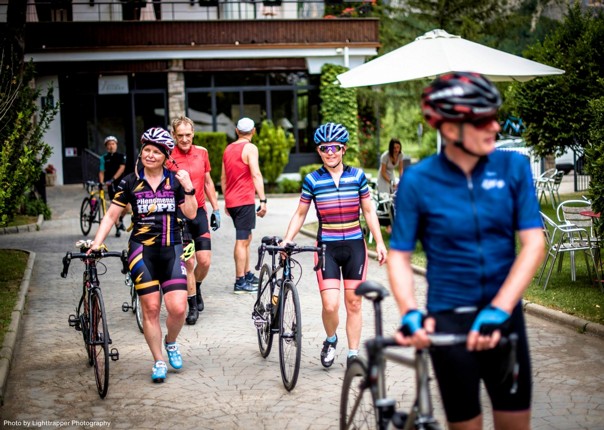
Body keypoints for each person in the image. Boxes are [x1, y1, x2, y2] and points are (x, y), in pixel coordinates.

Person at [388, 72, 545, 430]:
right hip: (448, 321)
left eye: (494, 116)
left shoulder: (513, 167)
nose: (495, 126)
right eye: (481, 120)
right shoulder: (418, 180)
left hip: (504, 319)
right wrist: (409, 311)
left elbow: (534, 243)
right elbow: (399, 256)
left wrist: (499, 310)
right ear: (448, 128)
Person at [89, 127, 198, 383]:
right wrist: (96, 244)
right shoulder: (129, 182)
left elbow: (191, 214)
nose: (150, 155)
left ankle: (171, 341)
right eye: (146, 150)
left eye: (156, 152)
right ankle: (158, 360)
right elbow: (112, 215)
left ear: (165, 156)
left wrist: (189, 187)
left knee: (178, 308)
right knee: (151, 308)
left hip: (172, 249)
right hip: (141, 252)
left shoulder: (174, 181)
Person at [281, 122, 387, 368]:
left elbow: (369, 211)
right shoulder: (312, 180)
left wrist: (380, 243)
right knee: (330, 305)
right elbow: (300, 213)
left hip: (355, 246)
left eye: (335, 148)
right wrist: (288, 239)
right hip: (326, 247)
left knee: (354, 302)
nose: (330, 152)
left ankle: (353, 354)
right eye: (324, 148)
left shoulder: (357, 176)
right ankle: (331, 339)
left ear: (343, 149)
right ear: (319, 151)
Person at [167, 116, 220, 326]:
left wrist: (216, 209)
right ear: (174, 135)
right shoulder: (168, 156)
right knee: (188, 262)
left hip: (199, 213)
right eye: (180, 135)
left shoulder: (202, 152)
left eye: (188, 135)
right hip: (180, 216)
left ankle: (196, 287)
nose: (184, 139)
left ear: (193, 133)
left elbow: (207, 182)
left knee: (204, 261)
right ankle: (192, 306)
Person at [221, 117, 267, 294]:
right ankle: (240, 281)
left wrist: (227, 200)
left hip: (233, 201)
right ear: (253, 131)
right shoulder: (250, 148)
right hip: (244, 200)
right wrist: (263, 200)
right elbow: (256, 174)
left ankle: (247, 274)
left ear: (237, 131)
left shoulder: (228, 149)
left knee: (246, 238)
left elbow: (223, 178)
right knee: (242, 241)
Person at [99, 135, 127, 237]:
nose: (111, 146)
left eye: (113, 144)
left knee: (127, 206)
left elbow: (122, 168)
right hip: (110, 185)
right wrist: (101, 182)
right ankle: (117, 227)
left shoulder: (121, 156)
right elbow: (101, 171)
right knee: (114, 206)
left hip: (121, 183)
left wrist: (113, 179)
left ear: (116, 145)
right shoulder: (103, 158)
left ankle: (120, 219)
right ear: (106, 146)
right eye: (109, 144)